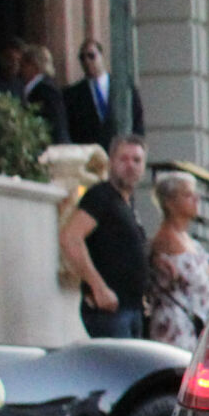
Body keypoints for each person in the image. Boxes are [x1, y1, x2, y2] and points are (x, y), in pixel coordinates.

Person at [59, 135, 153, 339]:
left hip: (132, 309)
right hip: (110, 312)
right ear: (111, 163)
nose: (130, 165)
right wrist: (98, 287)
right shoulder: (100, 196)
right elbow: (71, 237)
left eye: (136, 160)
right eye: (123, 159)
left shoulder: (127, 203)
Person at [146, 170, 209, 347]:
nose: (196, 198)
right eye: (188, 194)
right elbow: (195, 278)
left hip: (197, 326)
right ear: (170, 202)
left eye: (195, 193)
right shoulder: (166, 239)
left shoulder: (189, 239)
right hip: (176, 328)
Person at [62, 38, 140, 148]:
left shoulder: (124, 87)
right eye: (82, 58)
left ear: (101, 56)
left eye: (91, 56)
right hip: (90, 153)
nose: (87, 61)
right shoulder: (72, 94)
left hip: (120, 151)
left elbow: (137, 118)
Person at [14, 42, 69, 145]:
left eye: (23, 65)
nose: (20, 70)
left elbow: (55, 125)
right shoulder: (33, 89)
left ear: (34, 66)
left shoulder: (47, 91)